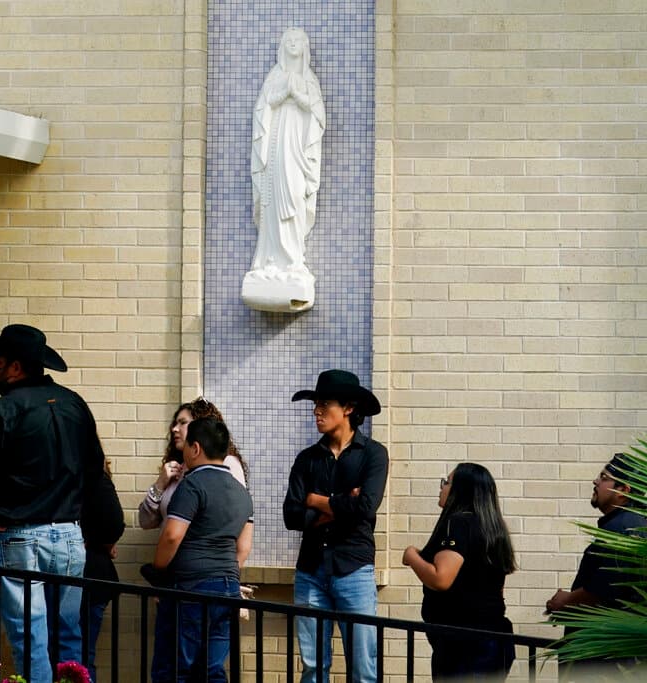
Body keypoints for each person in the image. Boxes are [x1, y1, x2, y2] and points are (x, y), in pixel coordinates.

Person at [0, 324, 105, 683]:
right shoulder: (75, 404)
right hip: (70, 536)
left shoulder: (3, 409)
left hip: (20, 537)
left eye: (1, 363)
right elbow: (95, 468)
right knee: (70, 636)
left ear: (17, 368)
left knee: (31, 639)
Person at [283, 369, 388, 683]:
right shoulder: (307, 459)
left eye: (324, 404)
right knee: (314, 668)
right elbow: (291, 515)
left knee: (363, 670)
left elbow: (366, 506)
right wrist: (338, 504)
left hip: (354, 570)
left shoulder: (373, 454)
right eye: (315, 403)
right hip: (310, 571)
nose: (316, 411)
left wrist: (315, 500)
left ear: (349, 408)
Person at [146, 417, 254, 683]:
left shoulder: (192, 485)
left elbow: (172, 536)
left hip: (190, 587)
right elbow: (243, 547)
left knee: (173, 669)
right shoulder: (242, 493)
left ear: (195, 449)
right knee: (212, 670)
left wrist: (159, 572)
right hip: (228, 588)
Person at [402, 463, 517, 681]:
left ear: (461, 490)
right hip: (492, 639)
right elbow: (497, 587)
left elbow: (441, 578)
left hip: (465, 645)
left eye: (447, 482)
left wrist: (412, 557)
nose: (442, 487)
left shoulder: (459, 523)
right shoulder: (493, 528)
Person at [545, 453, 647, 678]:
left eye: (604, 477)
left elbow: (606, 590)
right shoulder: (628, 525)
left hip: (605, 661)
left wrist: (566, 601)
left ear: (623, 490)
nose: (596, 482)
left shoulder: (623, 529)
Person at [243, 27, 326, 294]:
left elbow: (317, 114)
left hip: (296, 148)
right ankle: (269, 259)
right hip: (276, 143)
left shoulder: (309, 79)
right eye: (288, 41)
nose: (292, 45)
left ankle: (293, 259)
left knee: (292, 193)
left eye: (297, 41)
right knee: (273, 199)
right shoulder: (274, 77)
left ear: (304, 47)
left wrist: (296, 95)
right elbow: (263, 110)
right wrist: (281, 94)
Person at [138, 397, 247, 531]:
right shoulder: (175, 468)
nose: (174, 429)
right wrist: (160, 485)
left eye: (182, 423)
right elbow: (145, 522)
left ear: (202, 426)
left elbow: (239, 518)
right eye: (175, 424)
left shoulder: (227, 464)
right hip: (172, 551)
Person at [80, 457, 125, 683]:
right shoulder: (96, 475)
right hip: (94, 576)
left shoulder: (86, 474)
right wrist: (102, 543)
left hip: (87, 575)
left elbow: (113, 525)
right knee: (82, 654)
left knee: (70, 651)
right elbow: (113, 525)